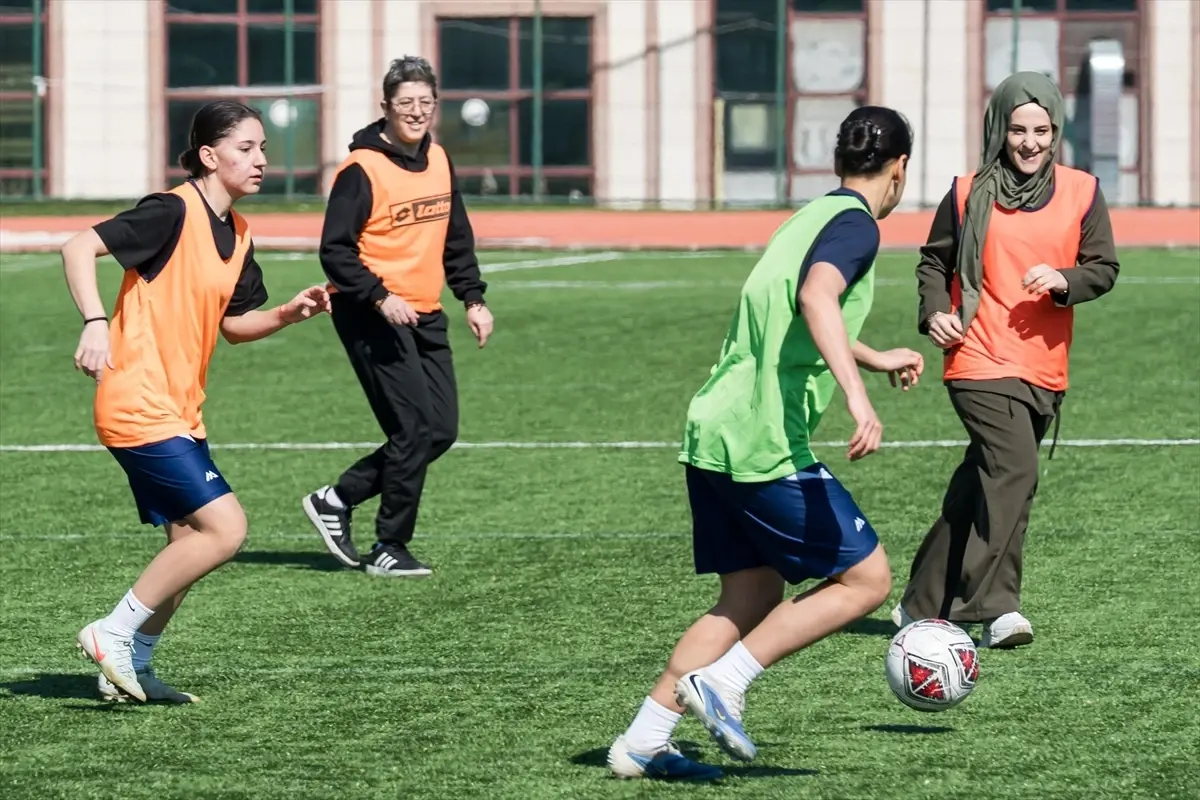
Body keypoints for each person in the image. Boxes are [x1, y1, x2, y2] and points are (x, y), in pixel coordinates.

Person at [606, 106, 925, 781]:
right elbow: (817, 297)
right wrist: (859, 399)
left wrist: (869, 356)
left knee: (750, 595)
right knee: (868, 579)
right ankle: (726, 682)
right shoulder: (858, 228)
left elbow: (793, 312)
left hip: (714, 429)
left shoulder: (808, 217)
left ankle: (643, 740)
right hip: (761, 440)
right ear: (899, 170)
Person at [64, 100, 331, 704]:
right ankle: (112, 632)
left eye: (263, 148)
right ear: (210, 156)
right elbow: (78, 247)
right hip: (137, 403)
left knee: (188, 545)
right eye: (246, 148)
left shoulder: (238, 234)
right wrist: (95, 321)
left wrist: (289, 313)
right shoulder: (170, 212)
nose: (261, 160)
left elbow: (235, 325)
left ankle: (131, 662)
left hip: (180, 410)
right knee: (226, 529)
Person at [892, 71, 1120, 648]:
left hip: (1043, 364)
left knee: (984, 481)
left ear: (1056, 130)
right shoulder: (967, 192)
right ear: (999, 128)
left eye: (1041, 130)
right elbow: (933, 263)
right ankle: (995, 608)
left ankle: (919, 602)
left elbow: (1103, 268)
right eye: (1018, 129)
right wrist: (931, 312)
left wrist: (1065, 279)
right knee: (1015, 469)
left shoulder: (1083, 191)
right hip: (976, 357)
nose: (1029, 142)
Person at [302, 56, 492, 578]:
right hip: (372, 312)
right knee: (412, 429)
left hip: (425, 312)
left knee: (441, 430)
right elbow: (334, 250)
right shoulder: (362, 169)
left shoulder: (439, 159)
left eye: (425, 102)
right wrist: (380, 296)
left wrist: (472, 298)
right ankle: (390, 546)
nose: (416, 111)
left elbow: (456, 237)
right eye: (405, 102)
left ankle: (337, 498)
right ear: (385, 107)